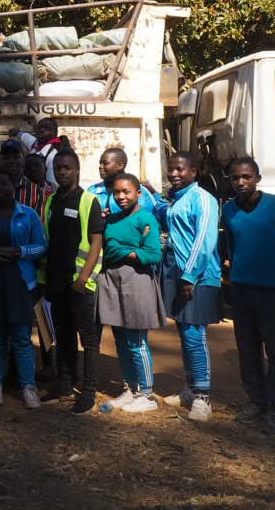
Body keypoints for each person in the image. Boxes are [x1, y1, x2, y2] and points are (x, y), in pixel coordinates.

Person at [222, 157, 275, 436]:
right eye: (235, 177)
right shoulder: (229, 209)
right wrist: (232, 280)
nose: (240, 182)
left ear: (258, 178)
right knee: (248, 351)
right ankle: (257, 402)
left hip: (274, 292)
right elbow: (232, 248)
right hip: (242, 291)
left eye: (246, 176)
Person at [159, 152, 223, 422]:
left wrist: (190, 276)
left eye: (180, 169)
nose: (174, 174)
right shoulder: (177, 199)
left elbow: (204, 239)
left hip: (198, 276)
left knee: (195, 335)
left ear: (193, 172)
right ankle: (190, 388)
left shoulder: (202, 198)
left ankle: (203, 397)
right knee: (184, 333)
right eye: (171, 169)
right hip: (177, 273)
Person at [41, 149, 105, 414]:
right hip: (57, 281)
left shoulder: (89, 201)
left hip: (79, 283)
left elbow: (96, 241)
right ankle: (65, 384)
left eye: (67, 167)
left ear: (77, 169)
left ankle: (88, 391)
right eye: (58, 168)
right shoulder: (52, 201)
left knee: (88, 340)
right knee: (63, 335)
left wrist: (84, 277)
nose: (62, 172)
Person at [97, 173, 165, 414]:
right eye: (116, 192)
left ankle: (146, 394)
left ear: (138, 193)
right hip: (112, 283)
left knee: (136, 340)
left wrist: (122, 252)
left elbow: (153, 254)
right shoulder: (111, 219)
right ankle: (130, 388)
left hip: (136, 282)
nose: (121, 196)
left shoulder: (145, 218)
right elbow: (105, 247)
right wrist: (126, 249)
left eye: (126, 191)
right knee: (121, 339)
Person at [0, 171, 47, 410]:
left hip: (20, 281)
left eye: (3, 184)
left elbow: (41, 245)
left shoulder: (28, 215)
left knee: (21, 337)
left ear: (13, 186)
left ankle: (28, 387)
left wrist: (20, 251)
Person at [89, 148, 167, 223]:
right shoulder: (93, 191)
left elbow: (151, 218)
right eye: (100, 163)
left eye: (105, 163)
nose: (100, 167)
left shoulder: (138, 191)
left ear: (120, 165)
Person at [14, 118, 67, 186]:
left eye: (47, 128)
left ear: (54, 133)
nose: (41, 130)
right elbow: (27, 138)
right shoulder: (37, 144)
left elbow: (52, 185)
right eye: (39, 127)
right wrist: (18, 133)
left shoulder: (52, 156)